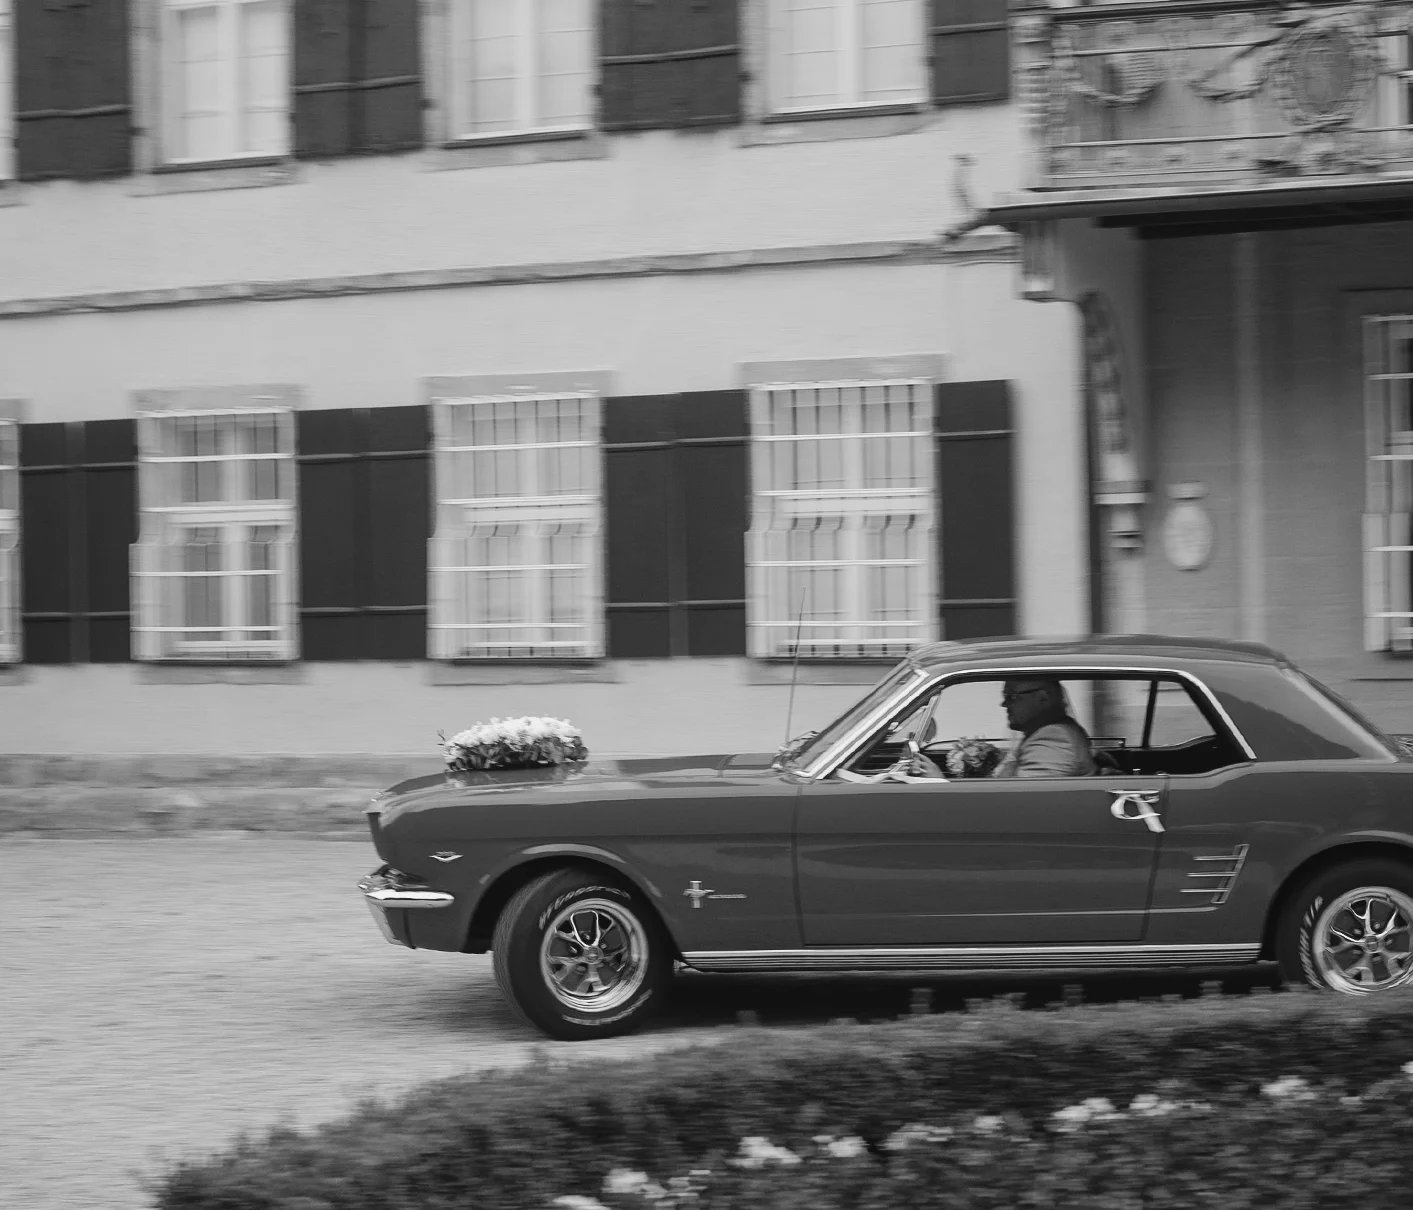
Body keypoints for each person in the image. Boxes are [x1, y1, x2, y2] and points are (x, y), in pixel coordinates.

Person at [990, 678, 1096, 779]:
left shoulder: (1053, 737)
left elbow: (1021, 792)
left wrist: (1009, 768)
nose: (1003, 704)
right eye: (1005, 696)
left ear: (1042, 697)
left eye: (1012, 696)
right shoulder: (1040, 732)